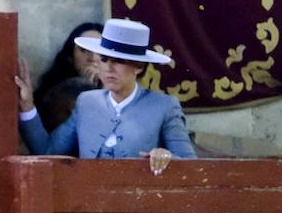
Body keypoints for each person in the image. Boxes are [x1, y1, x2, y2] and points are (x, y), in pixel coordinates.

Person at [15, 18, 195, 175]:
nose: (108, 68)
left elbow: (190, 164)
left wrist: (167, 157)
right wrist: (28, 107)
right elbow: (48, 152)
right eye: (104, 59)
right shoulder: (87, 102)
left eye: (118, 61)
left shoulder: (163, 105)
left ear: (139, 66)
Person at [31, 21, 104, 130]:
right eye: (84, 50)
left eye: (99, 50)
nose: (93, 58)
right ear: (70, 56)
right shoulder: (55, 94)